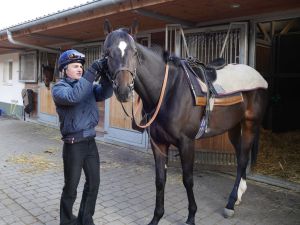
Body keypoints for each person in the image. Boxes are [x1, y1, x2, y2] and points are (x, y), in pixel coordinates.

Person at [52, 49, 113, 225]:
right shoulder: (60, 88)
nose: (80, 69)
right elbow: (74, 96)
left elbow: (105, 93)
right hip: (73, 145)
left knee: (94, 183)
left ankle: (85, 219)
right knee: (71, 188)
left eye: (81, 66)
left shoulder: (87, 86)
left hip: (90, 143)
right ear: (65, 70)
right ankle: (66, 221)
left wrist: (107, 77)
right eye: (75, 66)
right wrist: (92, 71)